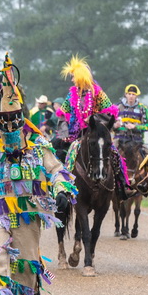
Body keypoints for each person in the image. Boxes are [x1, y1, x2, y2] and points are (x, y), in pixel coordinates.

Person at [0, 53, 77, 295]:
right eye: (4, 118)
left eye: (14, 117)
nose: (9, 123)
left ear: (22, 116)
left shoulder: (39, 145)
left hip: (29, 211)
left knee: (27, 262)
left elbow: (56, 169)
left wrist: (62, 190)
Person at [56, 55, 133, 200]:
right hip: (77, 135)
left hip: (97, 133)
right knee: (61, 153)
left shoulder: (98, 92)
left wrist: (92, 119)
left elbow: (111, 112)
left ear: (80, 77)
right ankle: (61, 190)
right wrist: (63, 134)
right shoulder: (72, 94)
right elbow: (62, 113)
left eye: (73, 77)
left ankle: (123, 187)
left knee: (115, 156)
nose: (72, 80)